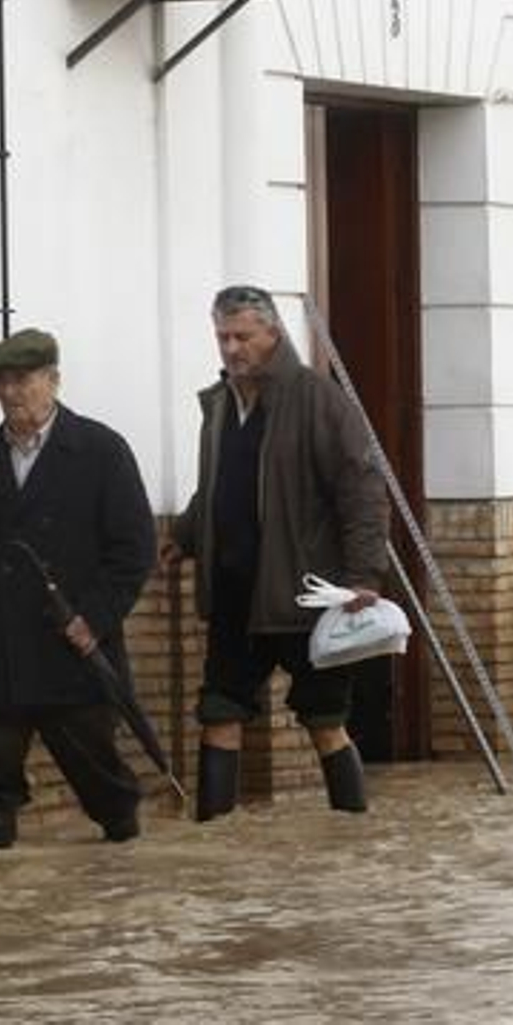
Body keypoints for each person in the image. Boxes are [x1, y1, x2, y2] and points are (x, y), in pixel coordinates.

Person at [0, 328, 157, 849]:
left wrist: (92, 617)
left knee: (104, 784)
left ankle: (124, 871)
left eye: (21, 379)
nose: (9, 392)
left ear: (53, 379)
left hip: (74, 651)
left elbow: (135, 551)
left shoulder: (101, 451)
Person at [162, 285, 390, 819]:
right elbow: (220, 484)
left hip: (303, 595)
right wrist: (189, 534)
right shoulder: (219, 404)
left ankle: (352, 833)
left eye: (243, 336)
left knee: (324, 721)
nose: (232, 348)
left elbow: (361, 490)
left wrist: (364, 576)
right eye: (223, 337)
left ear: (273, 333)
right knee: (219, 710)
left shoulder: (319, 400)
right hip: (234, 594)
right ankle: (214, 833)